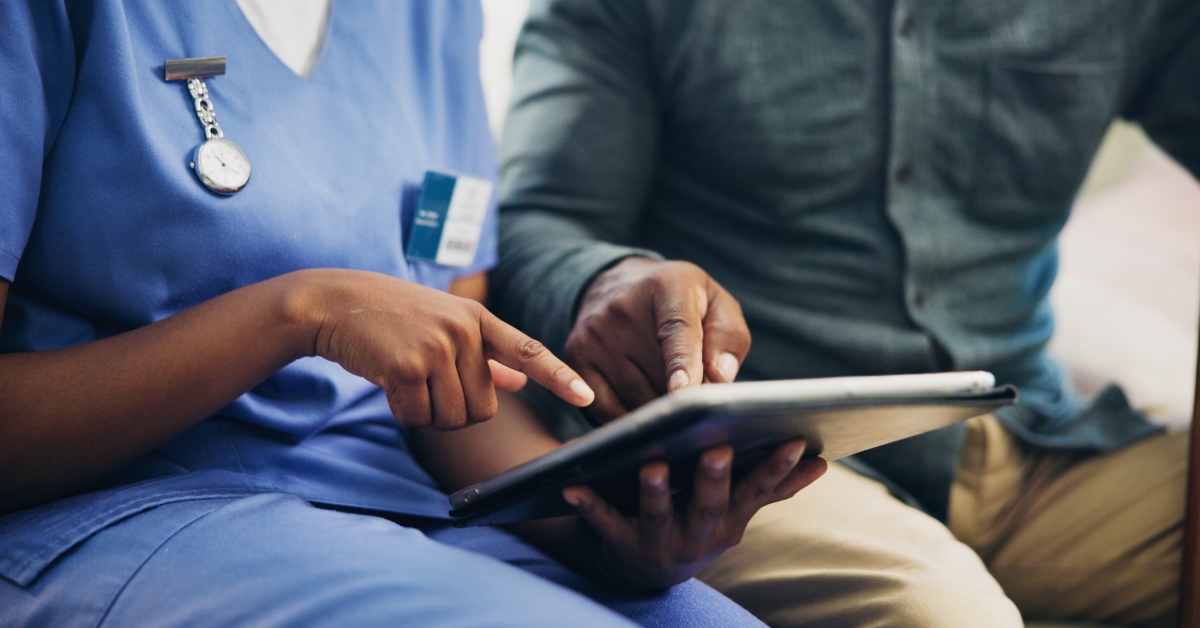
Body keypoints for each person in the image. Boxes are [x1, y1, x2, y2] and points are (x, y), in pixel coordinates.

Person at [0, 2, 830, 626]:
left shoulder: (426, 14)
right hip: (133, 510)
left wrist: (611, 534)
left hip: (403, 498)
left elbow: (457, 402)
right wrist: (299, 312)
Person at [491, 0, 1200, 626]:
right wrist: (606, 280)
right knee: (939, 616)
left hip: (1030, 444)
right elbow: (531, 224)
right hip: (759, 465)